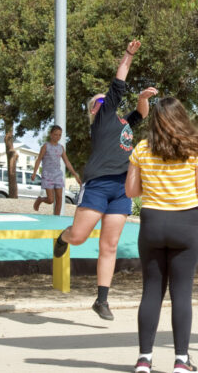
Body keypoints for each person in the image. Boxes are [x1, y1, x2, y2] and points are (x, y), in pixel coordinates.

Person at [53, 40, 158, 321]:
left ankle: (101, 300)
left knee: (109, 246)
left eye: (105, 100)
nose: (105, 102)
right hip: (98, 184)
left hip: (122, 187)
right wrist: (128, 55)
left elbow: (139, 114)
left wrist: (143, 99)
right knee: (78, 237)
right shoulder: (100, 121)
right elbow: (118, 84)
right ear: (93, 110)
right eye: (99, 101)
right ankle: (62, 236)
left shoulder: (121, 123)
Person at [125, 96, 198, 373]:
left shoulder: (142, 149)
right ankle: (181, 360)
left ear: (155, 119)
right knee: (182, 294)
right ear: (182, 117)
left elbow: (131, 191)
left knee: (151, 292)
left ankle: (144, 359)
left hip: (152, 222)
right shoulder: (195, 149)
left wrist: (155, 184)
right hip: (185, 223)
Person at [32, 125, 80, 216]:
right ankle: (40, 200)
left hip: (57, 175)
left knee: (59, 198)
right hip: (47, 175)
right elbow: (38, 159)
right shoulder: (45, 146)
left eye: (59, 135)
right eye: (55, 134)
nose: (57, 137)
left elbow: (67, 162)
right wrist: (34, 172)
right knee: (50, 200)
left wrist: (75, 175)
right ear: (51, 134)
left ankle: (56, 218)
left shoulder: (61, 148)